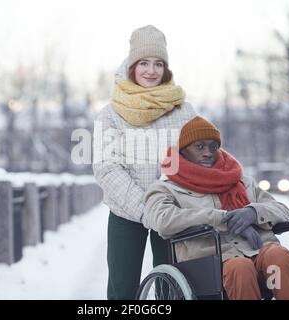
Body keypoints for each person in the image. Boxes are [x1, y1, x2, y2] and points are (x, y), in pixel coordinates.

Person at [142, 116, 289, 300]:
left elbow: (282, 210)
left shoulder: (242, 182)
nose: (208, 153)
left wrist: (252, 213)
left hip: (260, 255)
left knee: (280, 257)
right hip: (212, 265)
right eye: (199, 146)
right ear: (183, 151)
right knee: (240, 268)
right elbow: (163, 221)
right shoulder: (165, 188)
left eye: (213, 146)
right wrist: (222, 219)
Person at [92, 25, 197, 300]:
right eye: (144, 63)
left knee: (173, 288)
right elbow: (107, 168)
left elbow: (198, 157)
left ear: (166, 68)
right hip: (126, 211)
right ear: (132, 66)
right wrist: (144, 207)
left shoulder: (184, 110)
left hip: (172, 210)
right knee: (122, 290)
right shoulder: (110, 114)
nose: (151, 71)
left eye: (158, 64)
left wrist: (169, 200)